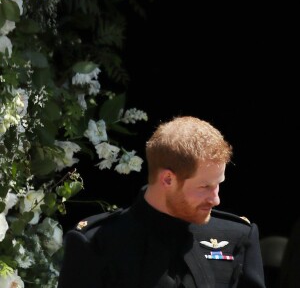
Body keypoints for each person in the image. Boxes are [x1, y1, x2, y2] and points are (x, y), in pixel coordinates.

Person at [57, 116, 266, 288]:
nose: (216, 199)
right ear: (168, 179)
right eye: (204, 187)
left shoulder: (237, 236)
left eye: (218, 184)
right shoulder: (96, 243)